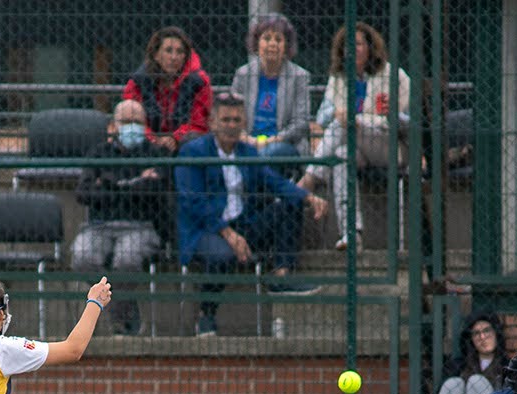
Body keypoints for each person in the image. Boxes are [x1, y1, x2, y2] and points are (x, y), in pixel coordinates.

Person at [174, 92, 321, 337]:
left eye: (236, 120)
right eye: (226, 120)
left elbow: (273, 181)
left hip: (243, 224)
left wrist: (307, 197)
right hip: (205, 229)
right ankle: (207, 313)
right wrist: (227, 233)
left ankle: (281, 276)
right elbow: (194, 202)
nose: (231, 126)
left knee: (289, 204)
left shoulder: (247, 152)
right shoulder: (193, 152)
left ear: (244, 123)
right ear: (212, 123)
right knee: (221, 256)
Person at [297, 21, 412, 252]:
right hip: (354, 144)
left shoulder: (393, 75)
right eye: (347, 46)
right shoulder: (339, 77)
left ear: (370, 47)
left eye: (358, 44)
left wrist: (374, 117)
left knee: (345, 127)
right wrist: (338, 113)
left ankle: (309, 179)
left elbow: (409, 121)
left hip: (389, 147)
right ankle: (352, 234)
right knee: (341, 155)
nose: (352, 50)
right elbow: (322, 116)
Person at [72, 99, 166, 336]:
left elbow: (154, 193)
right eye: (126, 122)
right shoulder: (99, 153)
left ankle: (119, 320)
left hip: (140, 226)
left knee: (126, 260)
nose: (131, 127)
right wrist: (136, 182)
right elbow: (83, 194)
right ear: (113, 126)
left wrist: (108, 184)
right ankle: (124, 311)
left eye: (137, 122)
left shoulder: (154, 153)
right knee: (82, 257)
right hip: (99, 226)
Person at [230, 13, 313, 178]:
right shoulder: (243, 74)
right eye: (267, 38)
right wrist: (246, 138)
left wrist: (272, 140)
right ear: (257, 43)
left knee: (267, 155)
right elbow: (232, 114)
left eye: (278, 39)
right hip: (247, 141)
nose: (272, 44)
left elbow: (301, 122)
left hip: (284, 143)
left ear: (286, 46)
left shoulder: (299, 76)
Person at [122, 26, 211, 154]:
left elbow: (199, 124)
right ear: (156, 55)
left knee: (192, 139)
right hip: (148, 143)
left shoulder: (199, 82)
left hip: (183, 142)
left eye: (180, 52)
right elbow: (129, 117)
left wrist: (175, 138)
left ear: (185, 56)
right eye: (168, 51)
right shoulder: (138, 82)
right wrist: (153, 139)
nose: (174, 57)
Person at [428, 310, 506, 394]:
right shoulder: (458, 366)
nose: (482, 337)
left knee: (476, 382)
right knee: (454, 383)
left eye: (487, 330)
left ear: (496, 333)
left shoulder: (508, 366)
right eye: (476, 333)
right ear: (471, 339)